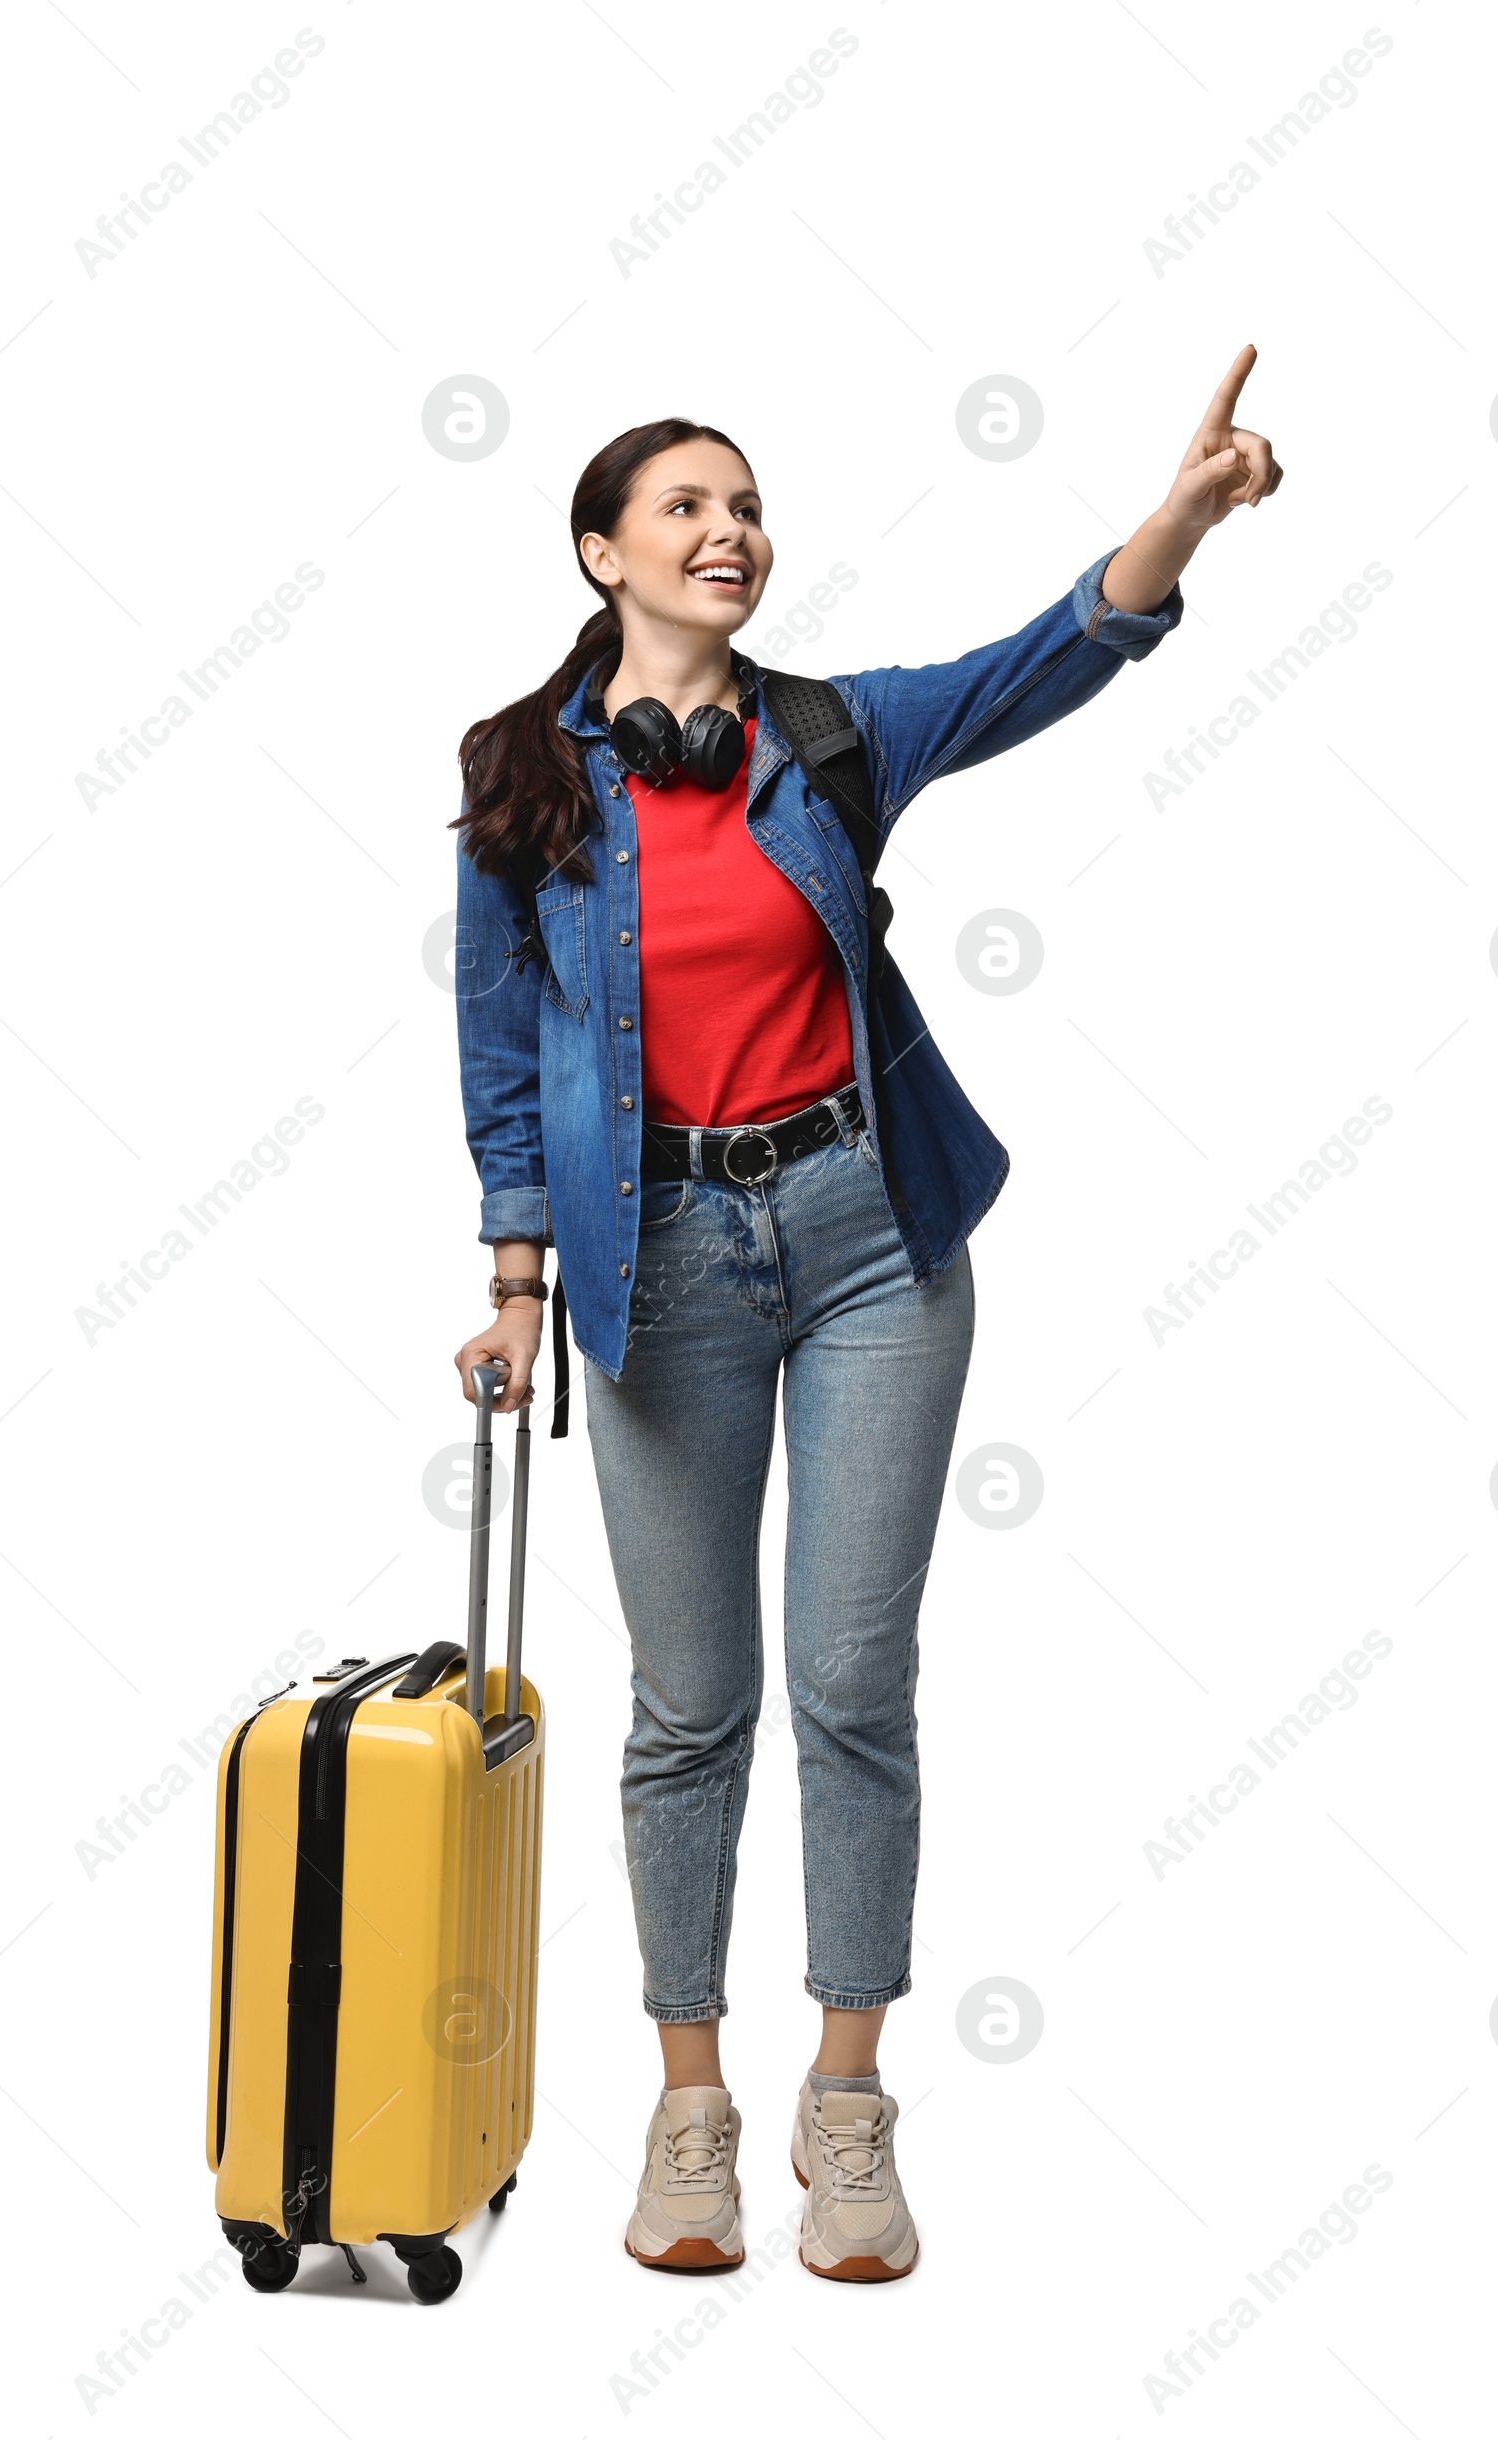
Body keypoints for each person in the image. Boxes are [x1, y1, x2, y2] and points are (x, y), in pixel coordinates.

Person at [451, 354, 1282, 2280]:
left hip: (868, 1236)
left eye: (745, 503)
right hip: (655, 1268)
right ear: (603, 554)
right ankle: (686, 2114)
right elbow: (502, 1055)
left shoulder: (823, 739)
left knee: (848, 1687)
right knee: (688, 1709)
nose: (728, 529)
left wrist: (1180, 518)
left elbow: (1043, 659)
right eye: (685, 506)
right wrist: (513, 1287)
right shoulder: (519, 774)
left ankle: (848, 2112)